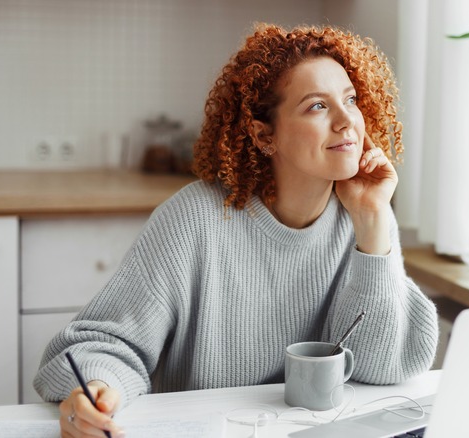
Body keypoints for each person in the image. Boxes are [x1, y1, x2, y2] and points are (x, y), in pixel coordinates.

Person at [34, 23, 439, 438]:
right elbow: (101, 346)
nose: (346, 122)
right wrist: (99, 389)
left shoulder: (363, 215)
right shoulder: (194, 220)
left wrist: (373, 221)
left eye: (350, 100)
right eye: (318, 106)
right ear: (265, 135)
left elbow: (381, 368)